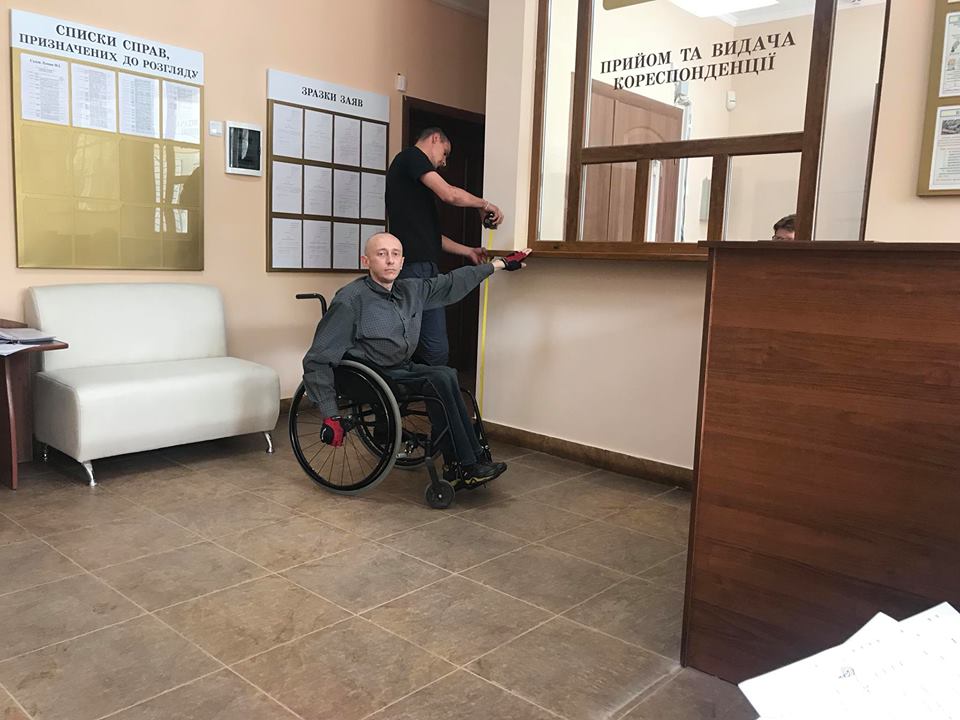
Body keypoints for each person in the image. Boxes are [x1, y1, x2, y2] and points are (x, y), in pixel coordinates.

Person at [302, 233, 530, 486]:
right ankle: (463, 465)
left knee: (446, 374)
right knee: (438, 378)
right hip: (369, 377)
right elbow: (317, 359)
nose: (390, 260)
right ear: (366, 261)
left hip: (400, 368)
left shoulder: (411, 290)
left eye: (395, 254)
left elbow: (451, 282)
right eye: (381, 254)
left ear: (402, 262)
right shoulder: (350, 300)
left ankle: (471, 459)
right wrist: (330, 414)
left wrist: (499, 264)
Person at [385, 127, 505, 366]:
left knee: (429, 350)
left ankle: (419, 388)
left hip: (422, 270)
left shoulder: (414, 185)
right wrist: (484, 205)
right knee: (431, 351)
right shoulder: (411, 157)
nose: (444, 162)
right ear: (435, 138)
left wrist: (468, 251)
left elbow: (432, 238)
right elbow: (449, 194)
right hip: (414, 271)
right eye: (445, 153)